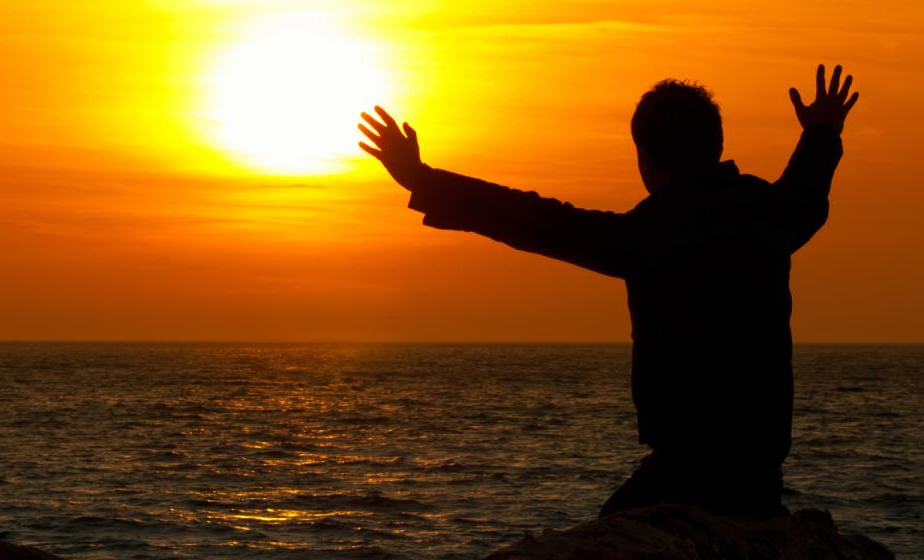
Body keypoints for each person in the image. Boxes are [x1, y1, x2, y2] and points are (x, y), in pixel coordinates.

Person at [358, 64, 858, 516]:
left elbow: (535, 220)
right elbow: (807, 186)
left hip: (688, 471)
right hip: (759, 473)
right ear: (715, 145)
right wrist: (821, 130)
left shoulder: (651, 235)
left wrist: (421, 179)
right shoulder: (769, 214)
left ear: (648, 160)